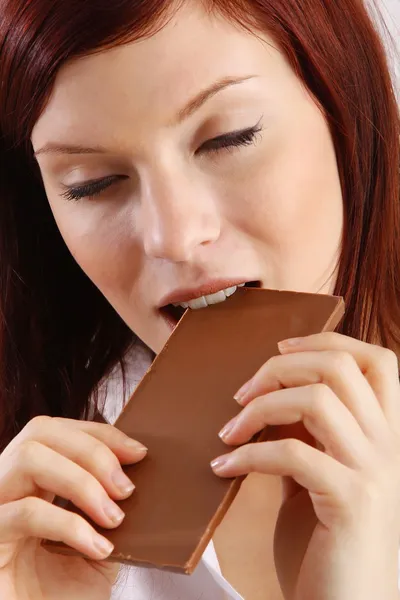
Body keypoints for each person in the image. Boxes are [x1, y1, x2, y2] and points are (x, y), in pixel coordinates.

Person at [0, 0, 399, 598]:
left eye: (229, 139)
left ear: (345, 105)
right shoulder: (29, 514)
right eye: (93, 184)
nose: (175, 236)